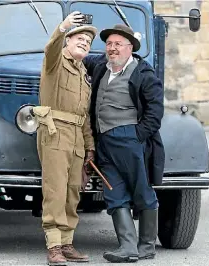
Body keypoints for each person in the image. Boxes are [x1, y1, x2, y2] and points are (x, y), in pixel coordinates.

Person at [83, 24, 165, 263]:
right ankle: (128, 247)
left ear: (130, 48)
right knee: (113, 191)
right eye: (109, 44)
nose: (112, 48)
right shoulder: (101, 66)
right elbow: (76, 56)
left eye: (118, 44)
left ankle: (146, 246)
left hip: (130, 140)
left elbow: (155, 112)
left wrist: (137, 135)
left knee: (141, 189)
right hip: (104, 142)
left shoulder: (143, 73)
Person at [34, 12, 97, 265]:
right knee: (55, 190)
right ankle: (54, 246)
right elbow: (50, 48)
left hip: (77, 138)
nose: (84, 42)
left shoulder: (84, 75)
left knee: (73, 192)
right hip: (55, 132)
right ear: (68, 42)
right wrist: (63, 27)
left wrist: (90, 148)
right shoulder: (55, 62)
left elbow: (84, 116)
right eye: (79, 38)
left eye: (88, 41)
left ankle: (67, 242)